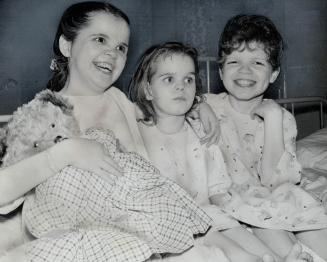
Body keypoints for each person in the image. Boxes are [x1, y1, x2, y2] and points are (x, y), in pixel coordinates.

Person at [0, 2, 220, 262]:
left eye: (121, 47)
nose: (112, 53)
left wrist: (202, 104)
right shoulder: (43, 112)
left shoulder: (119, 101)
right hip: (73, 240)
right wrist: (63, 154)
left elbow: (168, 104)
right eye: (100, 39)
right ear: (66, 46)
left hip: (139, 234)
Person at [129, 41, 312, 262]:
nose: (181, 87)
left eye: (188, 80)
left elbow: (217, 189)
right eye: (169, 79)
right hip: (166, 220)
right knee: (228, 250)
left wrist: (236, 212)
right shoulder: (135, 131)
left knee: (236, 233)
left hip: (208, 215)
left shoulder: (204, 133)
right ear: (148, 89)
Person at [205, 14, 327, 261]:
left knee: (314, 223)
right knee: (271, 231)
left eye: (258, 63)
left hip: (274, 194)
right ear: (220, 70)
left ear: (273, 74)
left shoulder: (282, 118)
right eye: (234, 61)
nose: (244, 70)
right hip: (231, 200)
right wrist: (199, 104)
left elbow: (275, 181)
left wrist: (272, 119)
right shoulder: (207, 106)